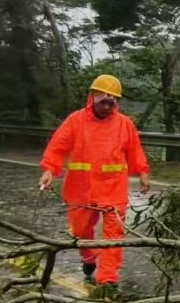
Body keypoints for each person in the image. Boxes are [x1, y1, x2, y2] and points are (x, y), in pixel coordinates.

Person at [38, 75, 150, 288]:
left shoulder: (125, 125)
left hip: (113, 188)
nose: (107, 107)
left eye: (112, 102)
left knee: (114, 233)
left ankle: (108, 277)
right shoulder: (75, 121)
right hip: (81, 189)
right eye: (103, 102)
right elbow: (57, 148)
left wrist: (143, 172)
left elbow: (135, 150)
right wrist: (49, 171)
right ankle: (89, 258)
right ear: (93, 97)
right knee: (81, 231)